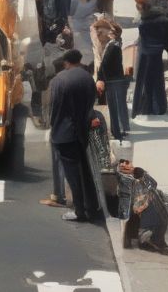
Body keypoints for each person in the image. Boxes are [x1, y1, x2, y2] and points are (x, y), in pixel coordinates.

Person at [48, 49, 101, 223]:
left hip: (65, 133)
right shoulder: (87, 78)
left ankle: (79, 211)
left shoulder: (59, 80)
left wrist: (53, 127)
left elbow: (54, 109)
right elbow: (91, 103)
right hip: (81, 131)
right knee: (84, 170)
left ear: (65, 63)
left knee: (72, 174)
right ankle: (91, 205)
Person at [131, 4, 168, 116]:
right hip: (157, 53)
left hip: (145, 54)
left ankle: (146, 108)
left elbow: (142, 37)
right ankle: (159, 107)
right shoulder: (162, 22)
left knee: (144, 82)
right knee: (157, 82)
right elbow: (166, 39)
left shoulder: (143, 23)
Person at [95, 22, 129, 141]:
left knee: (114, 107)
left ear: (114, 33)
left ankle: (117, 132)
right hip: (116, 80)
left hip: (112, 80)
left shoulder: (112, 46)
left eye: (111, 31)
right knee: (117, 106)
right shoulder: (115, 44)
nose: (108, 32)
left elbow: (105, 64)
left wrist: (100, 79)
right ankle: (119, 130)